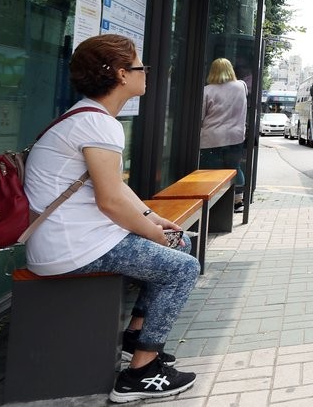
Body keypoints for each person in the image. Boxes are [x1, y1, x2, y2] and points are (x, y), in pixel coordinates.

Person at [23, 34, 199, 403]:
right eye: (140, 66)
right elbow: (110, 203)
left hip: (72, 237)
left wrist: (153, 218)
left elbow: (115, 189)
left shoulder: (88, 116)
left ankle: (136, 335)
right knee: (183, 267)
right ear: (121, 74)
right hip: (72, 246)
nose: (145, 73)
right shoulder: (99, 124)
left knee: (179, 242)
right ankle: (140, 372)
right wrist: (152, 233)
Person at [200, 58, 248, 211]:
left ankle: (214, 204)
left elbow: (201, 116)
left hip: (211, 138)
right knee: (234, 167)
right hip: (236, 136)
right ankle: (238, 199)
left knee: (211, 170)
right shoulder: (241, 86)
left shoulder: (207, 90)